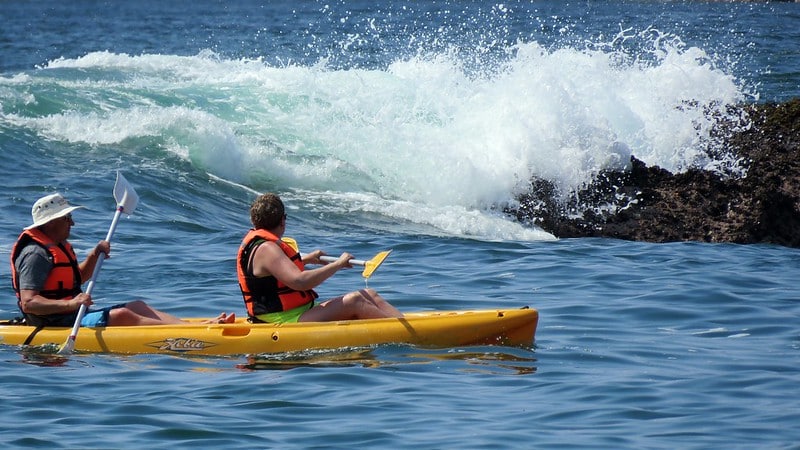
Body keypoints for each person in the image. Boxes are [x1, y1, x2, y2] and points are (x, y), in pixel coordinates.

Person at [10, 193, 235, 327]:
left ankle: (189, 327)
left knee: (137, 305)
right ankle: (188, 334)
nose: (73, 223)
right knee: (122, 315)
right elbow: (30, 303)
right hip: (52, 323)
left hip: (70, 314)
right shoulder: (35, 255)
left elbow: (75, 278)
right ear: (50, 223)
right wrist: (71, 304)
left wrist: (94, 255)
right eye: (68, 218)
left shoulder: (57, 247)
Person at [237, 193, 403, 324]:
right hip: (282, 320)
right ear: (283, 220)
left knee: (369, 294)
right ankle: (407, 335)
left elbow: (274, 274)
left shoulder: (263, 246)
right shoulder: (267, 248)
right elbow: (300, 282)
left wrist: (309, 259)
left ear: (254, 220)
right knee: (356, 300)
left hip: (297, 312)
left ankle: (411, 325)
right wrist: (338, 264)